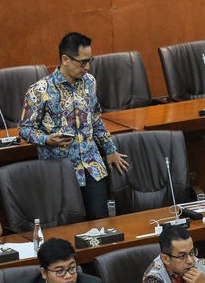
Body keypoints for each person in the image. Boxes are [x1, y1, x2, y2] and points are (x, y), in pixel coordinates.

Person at [18, 32, 130, 219]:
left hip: (92, 167)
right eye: (82, 62)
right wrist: (47, 139)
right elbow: (25, 129)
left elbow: (95, 118)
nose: (87, 67)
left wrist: (109, 149)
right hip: (60, 171)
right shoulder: (40, 90)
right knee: (71, 229)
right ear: (65, 59)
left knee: (101, 226)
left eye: (90, 61)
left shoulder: (89, 82)